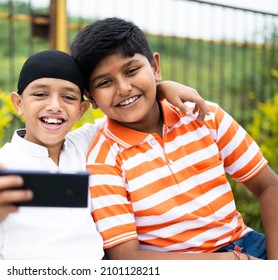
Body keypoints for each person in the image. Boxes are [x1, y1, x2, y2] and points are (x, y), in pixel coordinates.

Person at [0, 49, 209, 260]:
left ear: (81, 110)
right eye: (40, 94)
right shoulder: (5, 166)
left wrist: (161, 88)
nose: (55, 106)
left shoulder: (83, 145)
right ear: (18, 103)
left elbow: (125, 109)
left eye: (68, 98)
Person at [70, 17, 278, 260]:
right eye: (105, 82)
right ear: (90, 97)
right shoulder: (104, 161)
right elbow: (127, 257)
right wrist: (230, 263)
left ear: (155, 66)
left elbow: (269, 186)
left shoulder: (203, 115)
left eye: (132, 71)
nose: (123, 88)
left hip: (246, 246)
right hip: (179, 265)